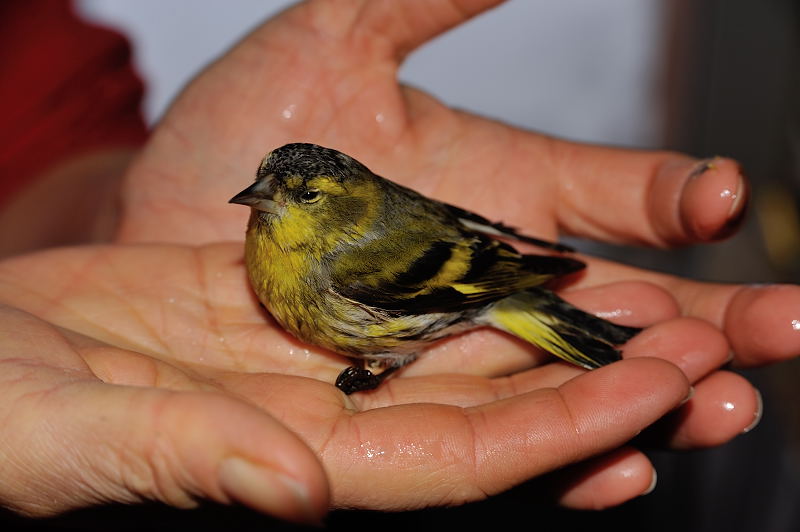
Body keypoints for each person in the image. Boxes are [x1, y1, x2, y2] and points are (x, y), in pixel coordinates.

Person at [0, 0, 797, 526]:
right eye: (268, 183)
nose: (264, 199)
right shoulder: (276, 240)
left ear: (341, 206)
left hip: (480, 287)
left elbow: (456, 264)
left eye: (301, 195)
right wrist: (109, 215)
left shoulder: (349, 267)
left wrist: (379, 362)